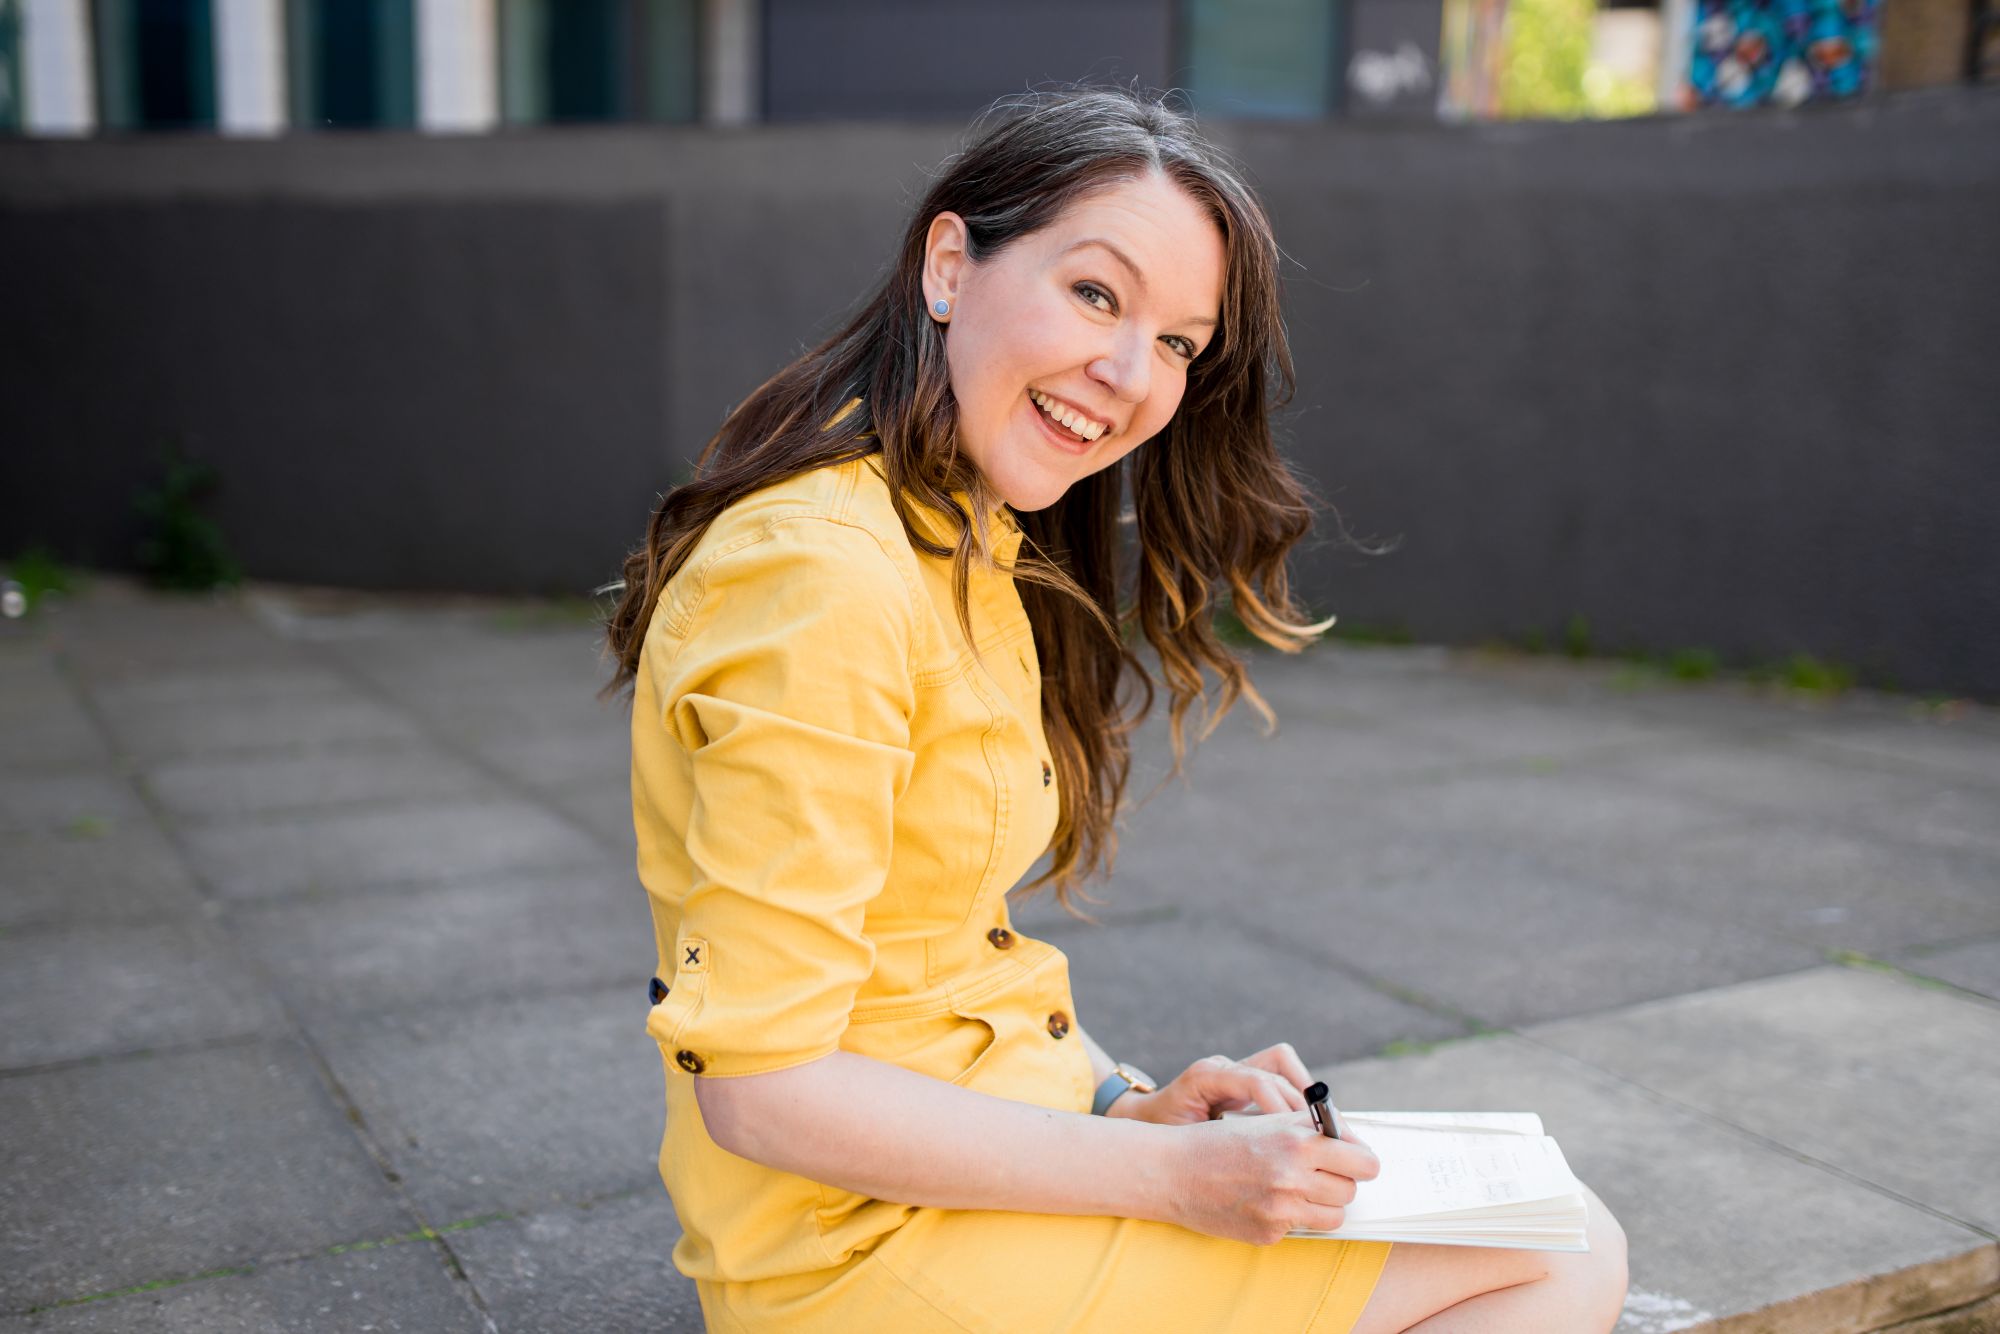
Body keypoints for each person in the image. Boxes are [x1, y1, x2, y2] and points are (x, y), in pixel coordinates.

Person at [602, 83, 1628, 1333]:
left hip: (961, 1178)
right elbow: (762, 1088)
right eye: (1094, 294)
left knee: (1544, 1219)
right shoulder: (823, 575)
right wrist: (1169, 1179)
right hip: (851, 1251)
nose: (1129, 372)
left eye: (1180, 343)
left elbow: (937, 966)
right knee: (1560, 1254)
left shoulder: (963, 543)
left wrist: (1128, 1104)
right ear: (947, 266)